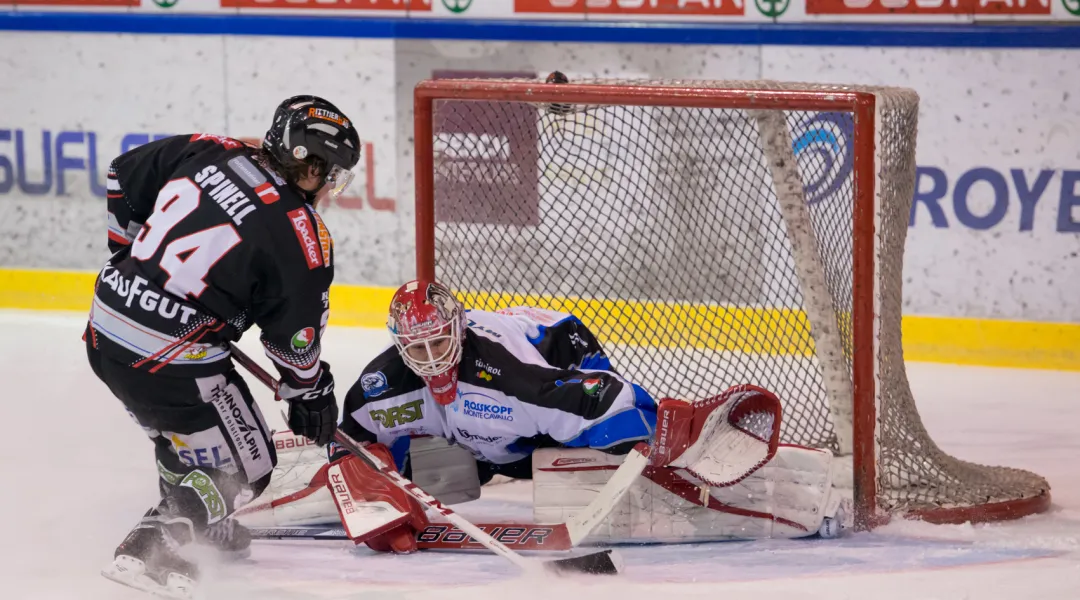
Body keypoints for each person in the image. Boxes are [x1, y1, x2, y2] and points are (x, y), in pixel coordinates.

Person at [323, 280, 845, 554]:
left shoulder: (508, 377)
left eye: (439, 341)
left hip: (566, 351)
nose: (431, 356)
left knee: (598, 441)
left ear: (458, 330)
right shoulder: (383, 383)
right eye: (417, 347)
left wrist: (665, 432)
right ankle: (495, 459)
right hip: (481, 431)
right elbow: (351, 438)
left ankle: (678, 449)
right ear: (399, 345)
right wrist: (372, 496)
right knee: (442, 465)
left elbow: (600, 395)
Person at [85, 95, 359, 599]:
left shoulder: (212, 150)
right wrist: (310, 395)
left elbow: (122, 174)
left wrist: (129, 258)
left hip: (105, 326)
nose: (328, 186)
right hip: (169, 357)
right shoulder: (303, 236)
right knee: (250, 463)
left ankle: (204, 527)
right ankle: (157, 538)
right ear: (310, 163)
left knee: (179, 435)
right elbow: (293, 348)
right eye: (331, 172)